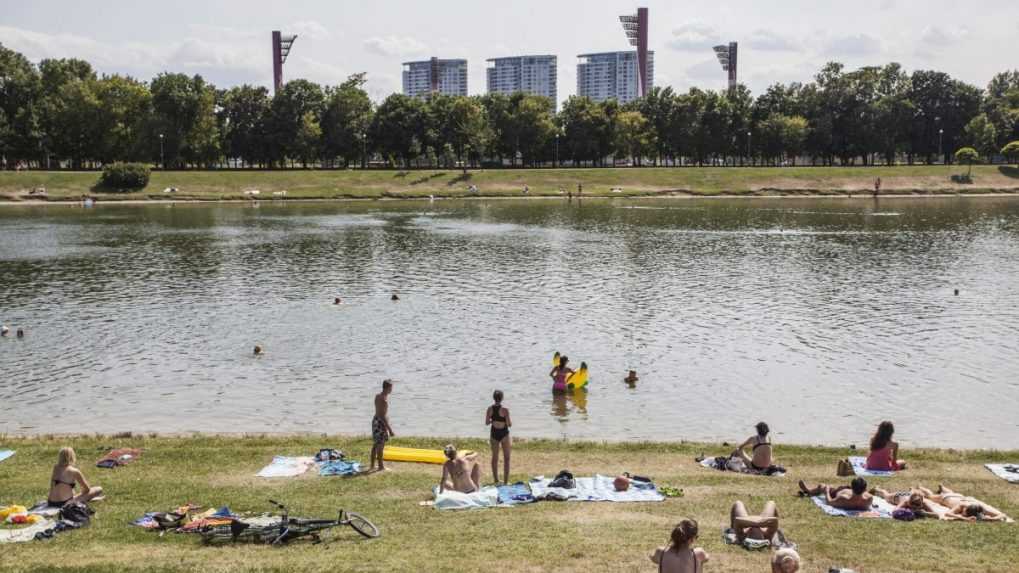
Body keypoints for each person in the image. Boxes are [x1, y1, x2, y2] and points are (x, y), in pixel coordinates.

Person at [915, 485, 1010, 522]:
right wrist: (964, 518)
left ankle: (942, 488)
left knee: (950, 492)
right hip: (945, 498)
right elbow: (948, 513)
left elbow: (1002, 515)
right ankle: (920, 487)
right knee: (930, 496)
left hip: (957, 496)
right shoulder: (962, 506)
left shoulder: (980, 509)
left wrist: (991, 519)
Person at [871, 487, 951, 520]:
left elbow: (936, 515)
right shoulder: (905, 502)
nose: (915, 507)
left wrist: (925, 513)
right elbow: (894, 511)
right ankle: (878, 489)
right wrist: (908, 509)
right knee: (887, 496)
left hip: (909, 495)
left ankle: (912, 489)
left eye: (917, 505)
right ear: (910, 502)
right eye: (913, 505)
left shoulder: (923, 503)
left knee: (913, 494)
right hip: (899, 496)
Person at [485, 390, 512, 484]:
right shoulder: (505, 410)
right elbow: (509, 424)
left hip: (494, 433)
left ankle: (496, 480)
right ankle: (505, 482)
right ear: (502, 398)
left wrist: (493, 421)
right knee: (507, 458)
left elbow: (487, 422)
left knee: (495, 457)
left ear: (493, 398)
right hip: (504, 433)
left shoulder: (489, 409)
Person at [798, 477, 872, 511]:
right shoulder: (869, 499)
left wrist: (827, 491)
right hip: (848, 490)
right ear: (864, 489)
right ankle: (809, 491)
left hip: (836, 493)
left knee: (822, 486)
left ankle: (809, 491)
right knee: (842, 487)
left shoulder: (844, 498)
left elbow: (829, 502)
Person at [370, 380, 395, 472]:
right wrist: (390, 429)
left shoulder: (377, 396)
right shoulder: (384, 400)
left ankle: (372, 465)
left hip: (375, 421)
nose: (392, 390)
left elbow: (379, 413)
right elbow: (383, 416)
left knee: (376, 444)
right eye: (391, 388)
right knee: (381, 445)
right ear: (387, 388)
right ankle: (381, 466)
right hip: (381, 423)